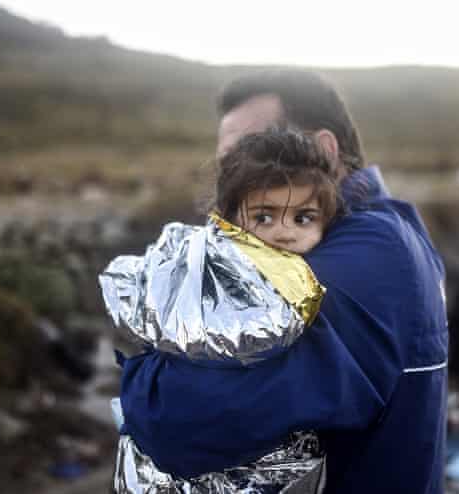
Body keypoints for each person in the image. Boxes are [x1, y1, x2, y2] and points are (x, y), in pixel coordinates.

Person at [116, 69, 449, 493]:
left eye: (258, 151)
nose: (238, 179)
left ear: (324, 151)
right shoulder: (396, 225)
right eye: (228, 166)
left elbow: (178, 418)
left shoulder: (366, 258)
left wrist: (144, 367)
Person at [101, 128, 341, 492]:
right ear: (229, 218)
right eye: (264, 217)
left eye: (303, 218)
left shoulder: (316, 280)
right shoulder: (204, 265)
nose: (285, 233)